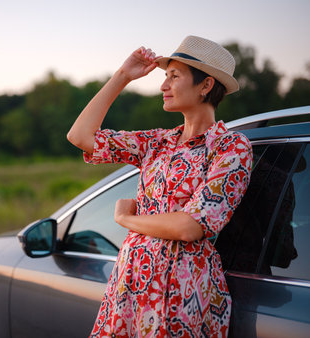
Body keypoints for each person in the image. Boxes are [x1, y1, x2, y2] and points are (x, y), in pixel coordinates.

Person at [67, 35, 253, 337]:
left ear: (205, 86)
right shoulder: (157, 142)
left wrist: (127, 220)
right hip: (131, 284)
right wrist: (123, 76)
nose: (163, 85)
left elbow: (190, 227)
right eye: (164, 76)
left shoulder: (230, 147)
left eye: (174, 76)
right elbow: (81, 136)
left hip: (182, 291)